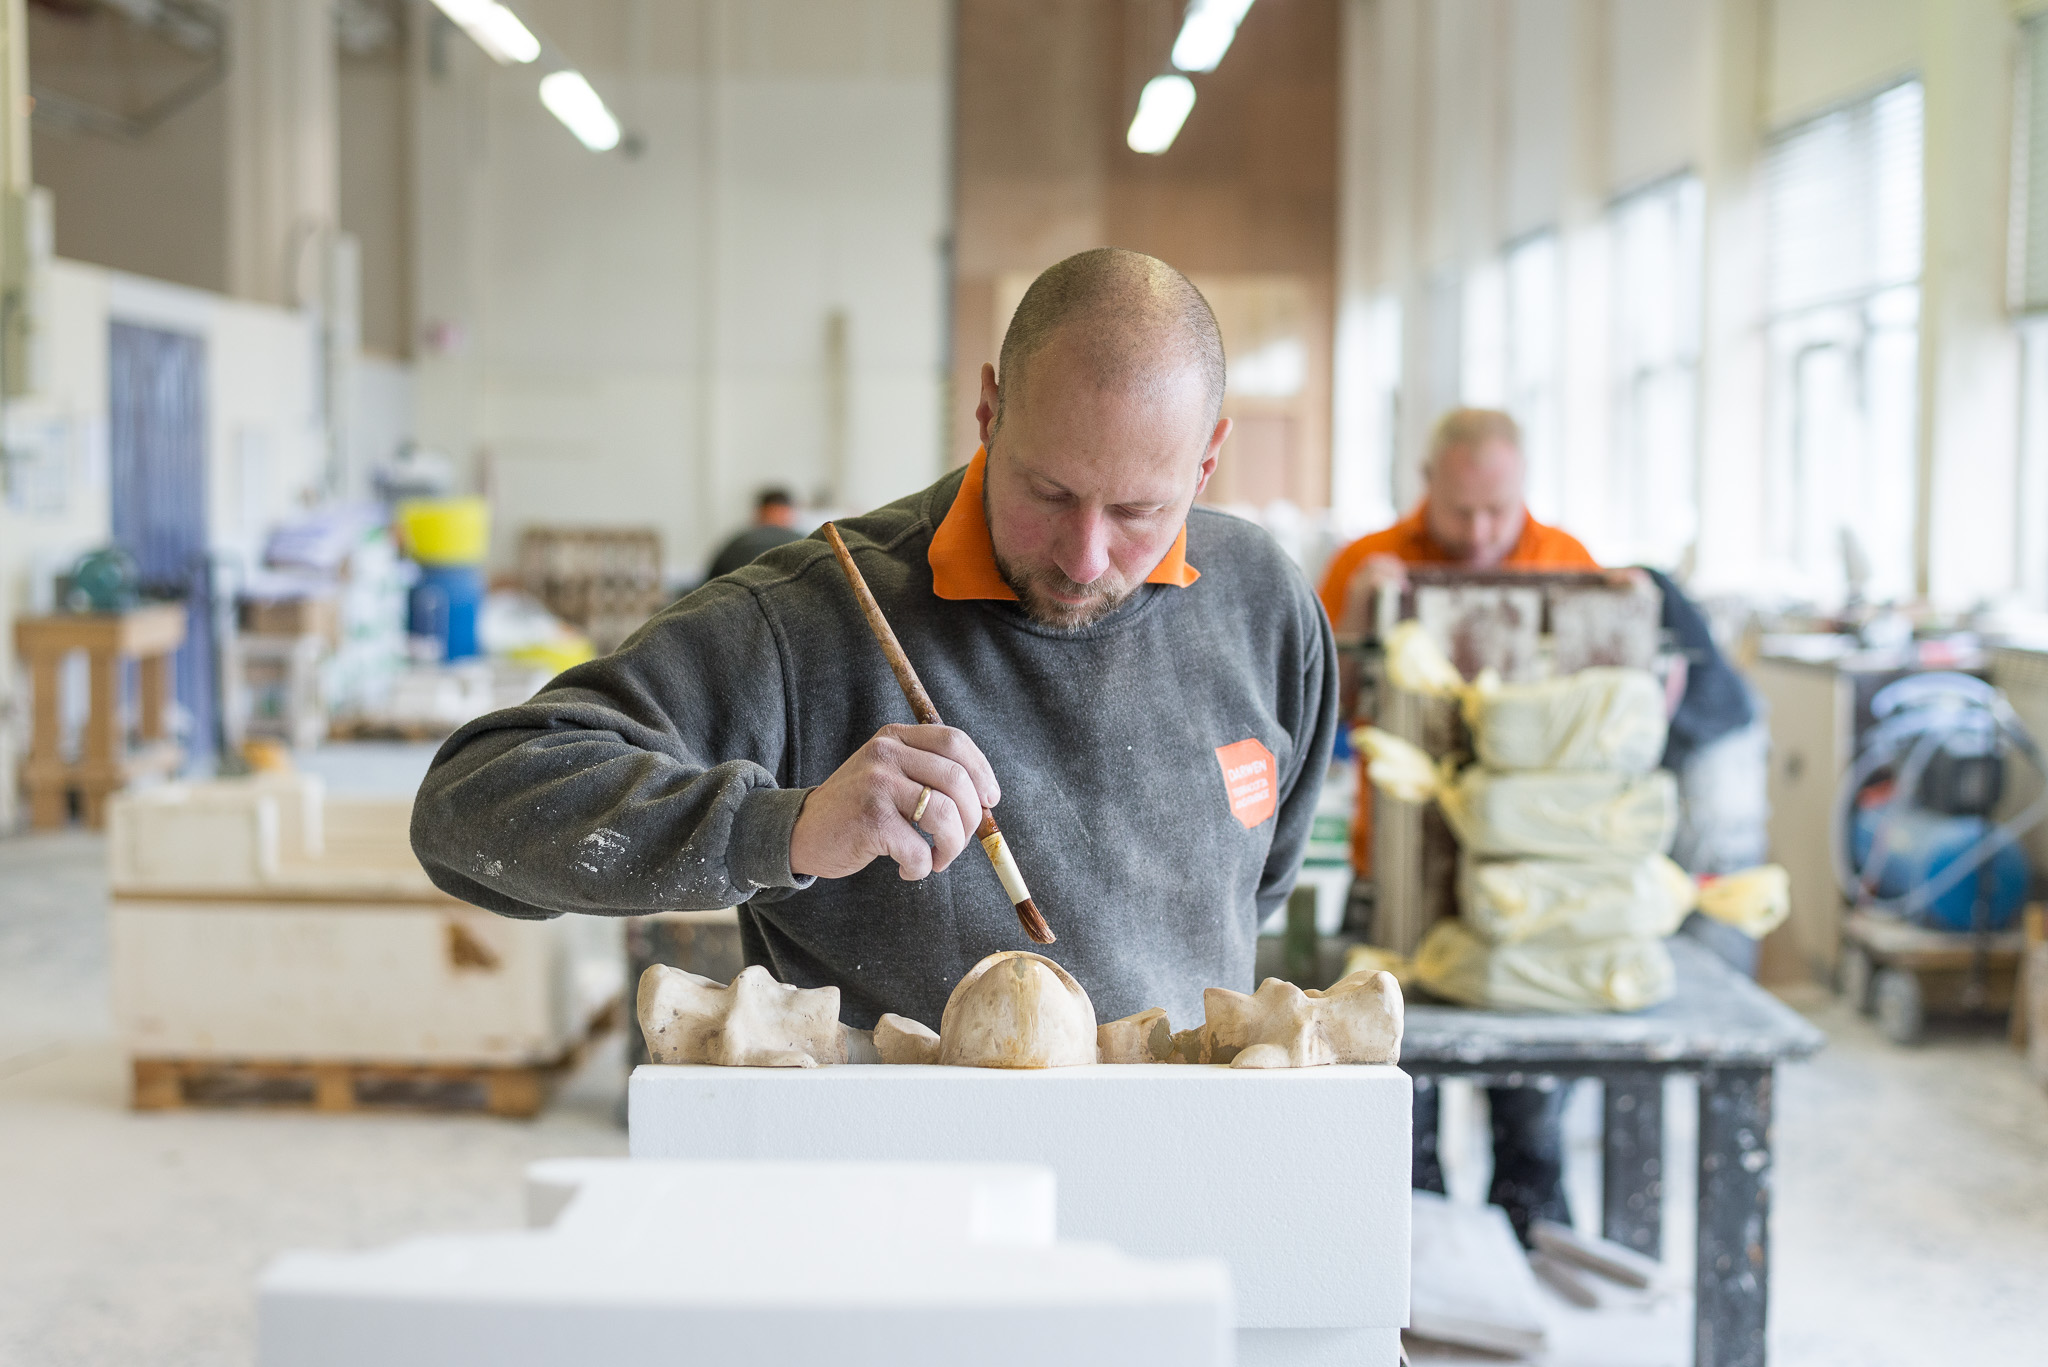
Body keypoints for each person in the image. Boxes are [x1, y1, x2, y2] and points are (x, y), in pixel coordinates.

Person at [410, 247, 1338, 1038]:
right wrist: (784, 829)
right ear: (988, 412)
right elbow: (466, 811)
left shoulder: (1263, 605)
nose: (1085, 554)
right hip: (894, 1206)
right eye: (1048, 492)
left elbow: (1250, 894)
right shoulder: (810, 618)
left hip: (1182, 1191)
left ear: (1207, 458)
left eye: (1140, 509)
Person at [1318, 407, 1598, 1244]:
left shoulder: (1571, 567)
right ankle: (1423, 1278)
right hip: (1398, 865)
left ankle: (1533, 1259)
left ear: (1525, 494)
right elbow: (1323, 713)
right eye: (1461, 511)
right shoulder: (1369, 566)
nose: (1479, 533)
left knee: (1532, 1107)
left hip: (1531, 876)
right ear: (1426, 485)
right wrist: (1360, 629)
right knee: (1404, 1106)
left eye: (1497, 512)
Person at [706, 488, 805, 580]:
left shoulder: (738, 543)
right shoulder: (805, 541)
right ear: (790, 513)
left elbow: (708, 583)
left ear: (759, 513)